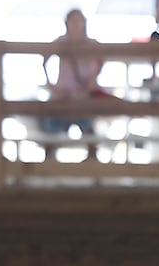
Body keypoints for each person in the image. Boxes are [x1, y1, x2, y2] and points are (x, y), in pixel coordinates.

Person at [41, 8, 110, 157]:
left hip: (82, 95)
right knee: (52, 128)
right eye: (73, 22)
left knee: (87, 126)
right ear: (67, 24)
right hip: (63, 95)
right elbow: (43, 59)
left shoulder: (91, 44)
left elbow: (102, 59)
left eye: (79, 22)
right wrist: (51, 85)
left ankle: (92, 161)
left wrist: (93, 79)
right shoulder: (60, 42)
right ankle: (48, 161)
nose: (76, 25)